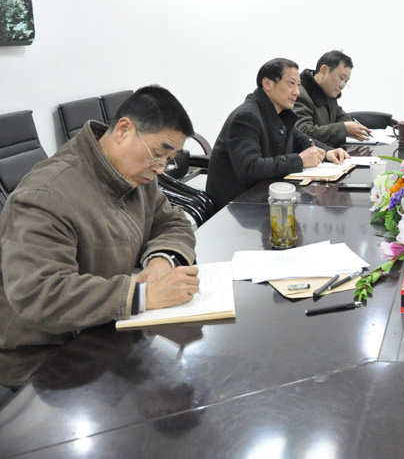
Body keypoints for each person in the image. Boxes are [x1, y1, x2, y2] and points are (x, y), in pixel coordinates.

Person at [0, 86, 201, 389]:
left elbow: (172, 223)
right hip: (46, 358)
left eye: (167, 160)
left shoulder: (137, 174)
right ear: (123, 130)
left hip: (106, 327)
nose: (160, 169)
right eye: (158, 155)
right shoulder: (46, 194)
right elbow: (40, 292)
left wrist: (161, 260)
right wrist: (141, 295)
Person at [206, 58, 350, 211]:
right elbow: (250, 168)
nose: (296, 92)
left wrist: (328, 152)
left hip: (264, 198)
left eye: (298, 85)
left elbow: (301, 140)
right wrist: (299, 160)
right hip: (237, 207)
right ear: (267, 84)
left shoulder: (278, 112)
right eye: (291, 83)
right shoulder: (246, 117)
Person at [293, 50, 371, 146]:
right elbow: (302, 132)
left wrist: (353, 126)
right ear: (324, 71)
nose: (342, 85)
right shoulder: (299, 94)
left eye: (346, 81)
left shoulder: (328, 93)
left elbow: (341, 116)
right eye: (341, 78)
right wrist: (344, 128)